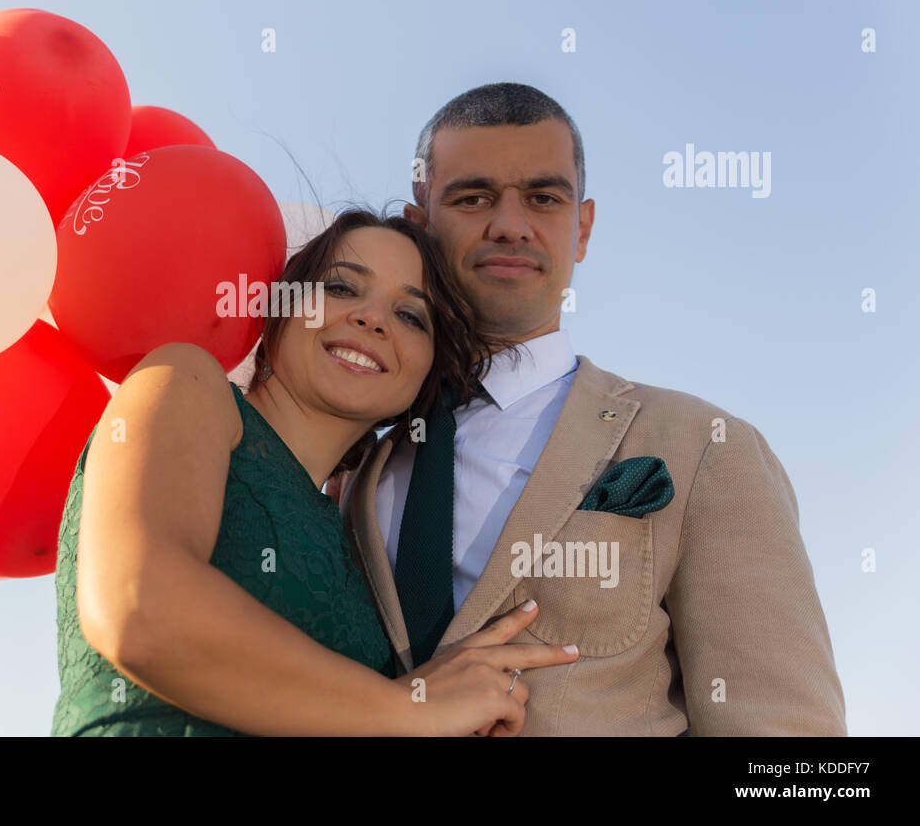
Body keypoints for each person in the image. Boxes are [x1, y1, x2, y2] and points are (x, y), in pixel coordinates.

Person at [335, 82, 848, 735]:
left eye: (544, 198)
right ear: (419, 226)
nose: (510, 224)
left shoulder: (703, 445)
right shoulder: (352, 467)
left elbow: (784, 736)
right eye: (473, 197)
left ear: (582, 228)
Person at [50, 209, 581, 736]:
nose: (373, 319)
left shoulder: (358, 542)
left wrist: (447, 689)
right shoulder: (186, 379)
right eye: (343, 288)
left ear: (425, 376)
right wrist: (408, 708)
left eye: (411, 317)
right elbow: (142, 608)